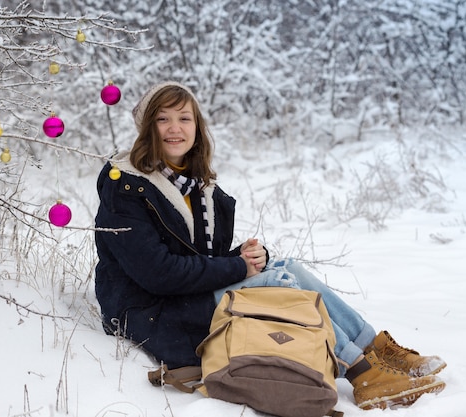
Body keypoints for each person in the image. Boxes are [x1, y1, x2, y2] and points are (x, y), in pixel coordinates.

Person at [94, 81, 447, 410]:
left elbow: (201, 262)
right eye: (163, 119)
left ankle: (378, 350)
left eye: (185, 118)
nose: (175, 128)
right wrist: (238, 269)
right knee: (274, 285)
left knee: (286, 268)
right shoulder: (125, 187)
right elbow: (158, 275)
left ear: (197, 127)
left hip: (184, 298)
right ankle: (363, 373)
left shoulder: (199, 190)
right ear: (147, 128)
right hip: (147, 312)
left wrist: (247, 259)